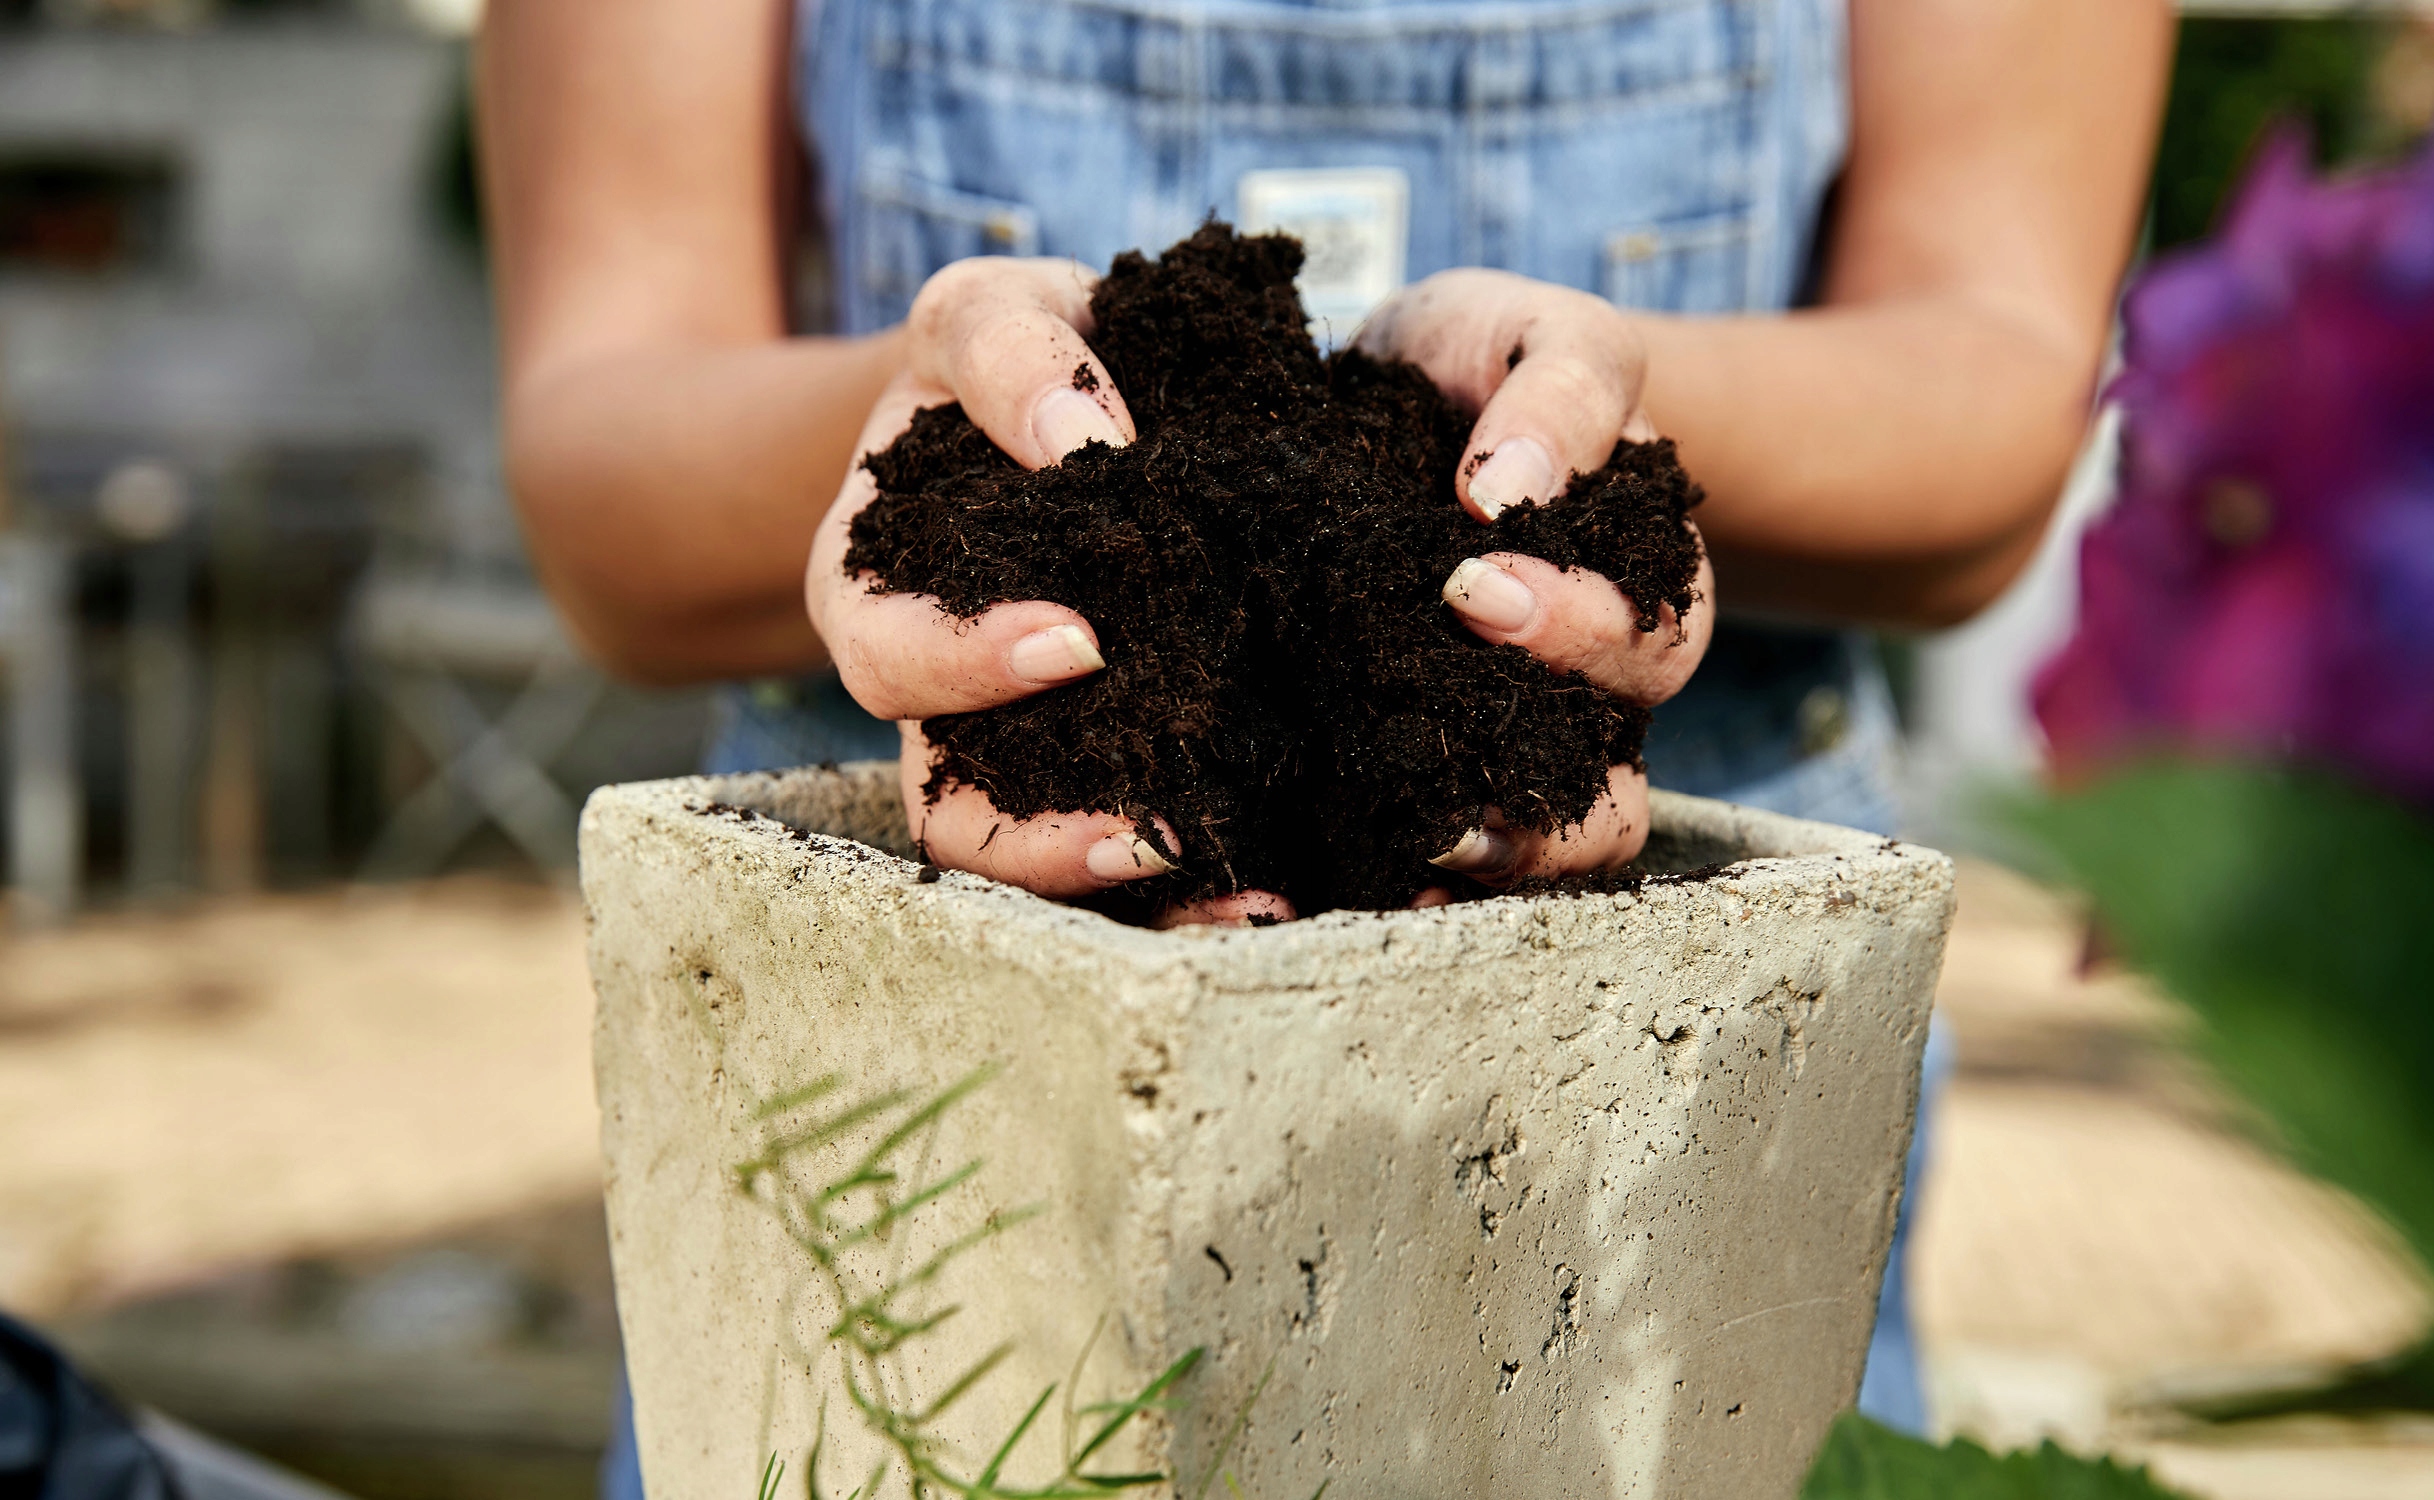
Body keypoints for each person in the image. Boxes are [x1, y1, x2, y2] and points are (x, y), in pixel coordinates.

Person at [479, 0, 2170, 1476]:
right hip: (922, 1050)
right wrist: (942, 457)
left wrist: (1586, 440)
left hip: (1670, 1072)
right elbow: (603, 463)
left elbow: (2002, 382)